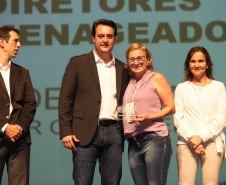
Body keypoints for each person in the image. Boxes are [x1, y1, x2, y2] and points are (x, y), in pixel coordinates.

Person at [58, 19, 129, 185]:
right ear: (93, 38)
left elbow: (124, 103)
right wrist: (66, 131)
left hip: (114, 133)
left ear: (115, 39)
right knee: (82, 181)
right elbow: (65, 99)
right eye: (101, 36)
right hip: (83, 133)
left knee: (112, 182)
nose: (105, 40)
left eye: (109, 36)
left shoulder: (123, 68)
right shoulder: (77, 63)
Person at [123, 43, 175, 185]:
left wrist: (149, 117)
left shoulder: (156, 77)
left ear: (148, 60)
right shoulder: (129, 82)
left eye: (140, 58)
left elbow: (171, 108)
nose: (136, 62)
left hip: (154, 139)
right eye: (132, 59)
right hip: (133, 142)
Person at [174, 46, 226, 185]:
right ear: (188, 64)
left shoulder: (218, 87)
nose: (197, 65)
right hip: (186, 143)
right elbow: (178, 119)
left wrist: (201, 137)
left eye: (201, 61)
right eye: (193, 61)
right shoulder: (181, 88)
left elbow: (221, 118)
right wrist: (194, 141)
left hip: (213, 142)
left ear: (207, 64)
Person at [0, 26, 36, 185]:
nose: (19, 44)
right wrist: (4, 127)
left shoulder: (23, 72)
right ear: (2, 42)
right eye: (15, 40)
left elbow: (30, 104)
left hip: (20, 141)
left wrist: (19, 127)